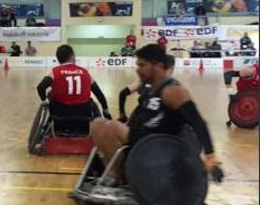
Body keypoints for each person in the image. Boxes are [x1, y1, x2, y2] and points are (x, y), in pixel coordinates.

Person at [89, 44, 220, 186]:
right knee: (97, 124)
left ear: (158, 66)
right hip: (144, 138)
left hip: (159, 145)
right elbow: (138, 117)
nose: (138, 70)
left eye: (142, 65)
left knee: (112, 127)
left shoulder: (173, 90)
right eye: (137, 65)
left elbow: (198, 123)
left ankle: (116, 178)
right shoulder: (151, 90)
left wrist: (210, 156)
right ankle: (115, 172)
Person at [36, 44, 111, 119]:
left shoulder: (54, 72)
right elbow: (99, 93)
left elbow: (40, 87)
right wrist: (105, 110)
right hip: (84, 114)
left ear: (58, 59)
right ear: (72, 56)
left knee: (51, 95)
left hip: (60, 114)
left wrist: (46, 102)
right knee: (92, 102)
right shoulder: (85, 72)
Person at [118, 54, 175, 122]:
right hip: (141, 118)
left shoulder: (173, 88)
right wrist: (122, 114)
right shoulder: (147, 80)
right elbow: (123, 93)